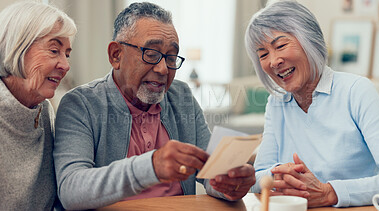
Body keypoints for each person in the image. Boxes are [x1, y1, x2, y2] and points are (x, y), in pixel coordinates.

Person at [53, 2, 255, 210]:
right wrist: (150, 166)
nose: (162, 69)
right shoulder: (81, 103)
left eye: (171, 57)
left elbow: (210, 172)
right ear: (116, 55)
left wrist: (230, 184)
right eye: (151, 54)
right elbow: (71, 189)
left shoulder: (181, 95)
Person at [245, 0, 379, 208]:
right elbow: (259, 177)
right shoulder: (276, 103)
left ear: (310, 40)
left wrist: (330, 192)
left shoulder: (357, 91)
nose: (273, 61)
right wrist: (282, 174)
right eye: (263, 54)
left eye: (280, 46)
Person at [0, 1, 77, 210]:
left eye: (67, 54)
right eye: (54, 50)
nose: (66, 65)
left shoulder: (43, 110)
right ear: (18, 46)